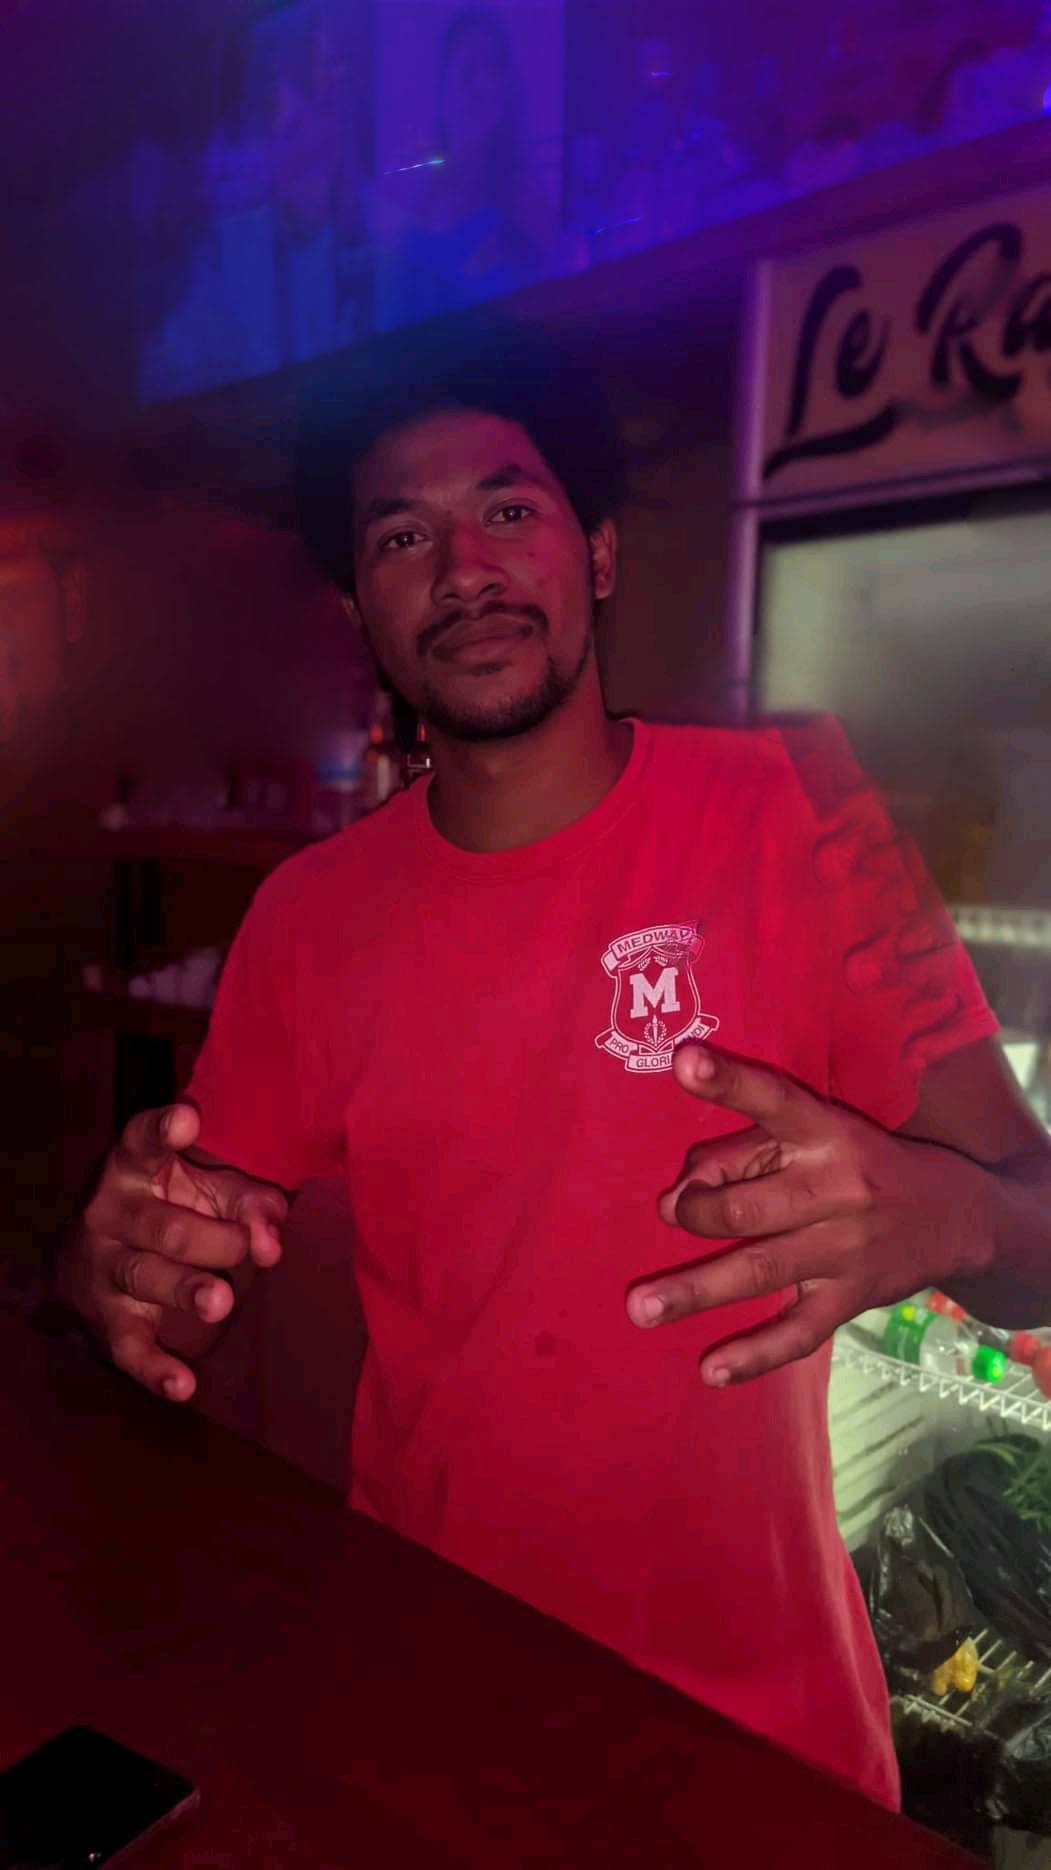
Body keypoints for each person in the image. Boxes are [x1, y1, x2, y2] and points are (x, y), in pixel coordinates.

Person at [59, 321, 1051, 1809]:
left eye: (507, 508)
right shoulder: (308, 919)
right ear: (360, 605)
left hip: (763, 1738)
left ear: (595, 554)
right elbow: (178, 1256)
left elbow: (1036, 1243)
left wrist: (944, 1210)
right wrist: (110, 1266)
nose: (463, 567)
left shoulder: (795, 815)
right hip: (431, 1683)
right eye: (403, 535)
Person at [373, 7, 550, 331]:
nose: (484, 84)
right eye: (469, 70)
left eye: (495, 69)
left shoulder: (527, 202)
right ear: (442, 87)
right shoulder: (410, 198)